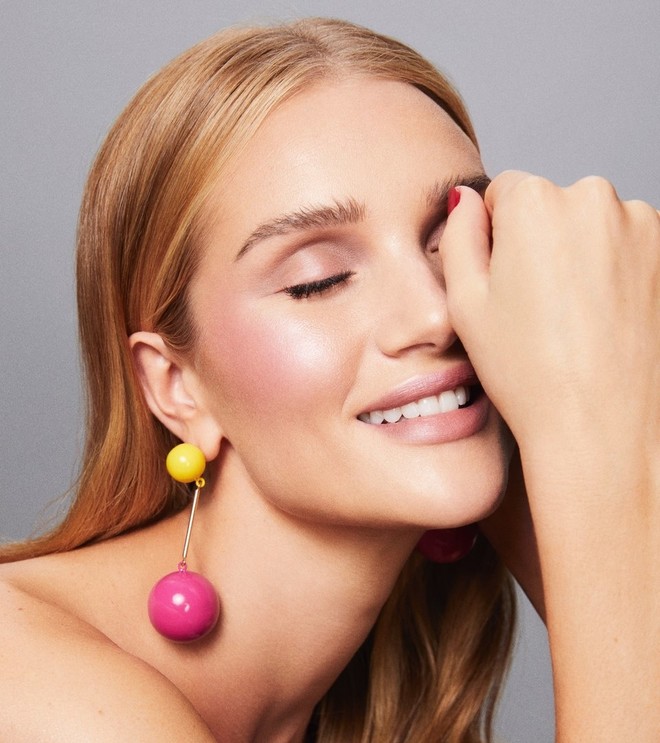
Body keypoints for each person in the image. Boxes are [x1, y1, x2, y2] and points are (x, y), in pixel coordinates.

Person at [0, 17, 657, 742]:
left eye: (456, 247)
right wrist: (597, 451)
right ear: (177, 384)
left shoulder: (352, 704)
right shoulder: (42, 687)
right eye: (320, 280)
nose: (438, 313)